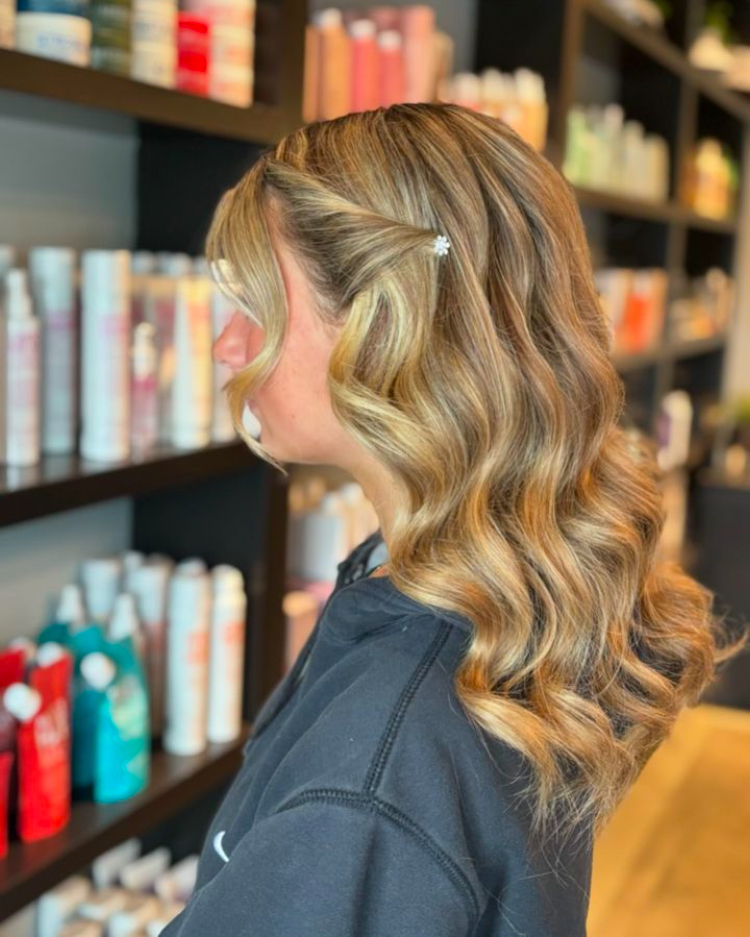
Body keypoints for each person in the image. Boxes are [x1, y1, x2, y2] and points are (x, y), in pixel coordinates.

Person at [161, 103, 746, 936]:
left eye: (255, 301)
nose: (227, 345)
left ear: (383, 322)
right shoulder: (478, 589)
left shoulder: (372, 783)